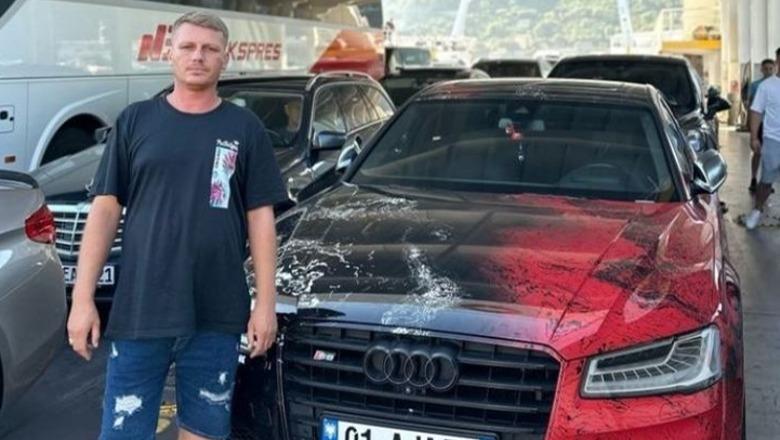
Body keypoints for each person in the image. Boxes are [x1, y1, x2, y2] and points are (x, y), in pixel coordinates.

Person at [66, 11, 288, 440]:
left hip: (217, 314)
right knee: (123, 433)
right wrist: (82, 299)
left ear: (225, 58)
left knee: (203, 432)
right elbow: (105, 210)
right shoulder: (135, 121)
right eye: (187, 46)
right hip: (141, 309)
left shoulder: (245, 128)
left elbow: (260, 218)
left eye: (209, 48)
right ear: (169, 53)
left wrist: (265, 304)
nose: (197, 56)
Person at [745, 48, 780, 229]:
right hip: (773, 139)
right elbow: (756, 111)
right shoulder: (767, 86)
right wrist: (753, 137)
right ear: (777, 61)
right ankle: (757, 210)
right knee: (766, 180)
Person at [748, 58, 777, 192]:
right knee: (758, 153)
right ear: (761, 70)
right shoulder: (757, 85)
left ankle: (766, 183)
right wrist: (750, 126)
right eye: (766, 69)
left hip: (772, 127)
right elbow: (752, 106)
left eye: (771, 69)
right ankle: (754, 178)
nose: (768, 71)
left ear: (774, 68)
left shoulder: (776, 85)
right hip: (760, 124)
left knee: (770, 156)